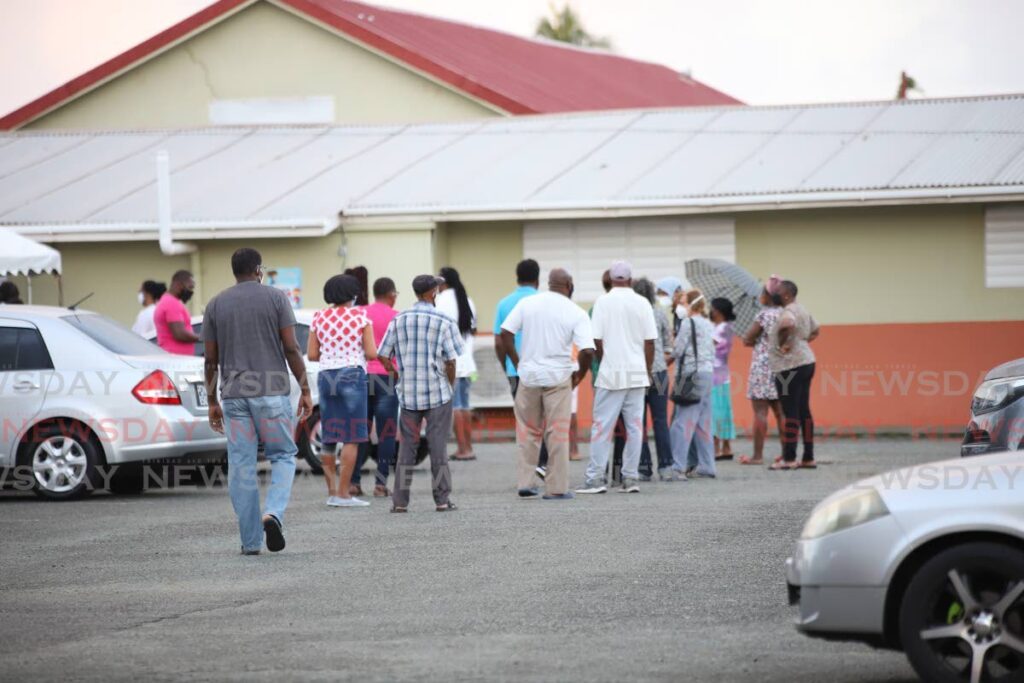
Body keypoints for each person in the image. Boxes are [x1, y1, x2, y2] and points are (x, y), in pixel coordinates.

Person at [203, 248, 313, 555]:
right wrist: (305, 388)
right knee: (283, 455)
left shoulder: (215, 304)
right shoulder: (276, 298)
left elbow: (210, 360)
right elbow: (291, 348)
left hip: (234, 396)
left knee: (241, 466)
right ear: (259, 270)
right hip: (271, 393)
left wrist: (212, 400)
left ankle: (250, 542)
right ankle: (273, 513)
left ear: (234, 271)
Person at [500, 268, 594, 500]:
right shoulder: (576, 311)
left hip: (529, 376)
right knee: (558, 433)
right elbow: (588, 350)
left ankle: (526, 483)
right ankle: (557, 488)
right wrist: (578, 377)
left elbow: (505, 333)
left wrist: (518, 362)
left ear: (548, 283)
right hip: (559, 377)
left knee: (527, 431)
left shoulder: (528, 303)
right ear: (569, 286)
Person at [377, 275, 464, 513]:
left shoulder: (399, 319)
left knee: (407, 448)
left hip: (408, 395)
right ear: (433, 292)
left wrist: (396, 374)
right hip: (438, 393)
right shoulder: (444, 320)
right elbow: (451, 360)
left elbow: (382, 355)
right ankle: (442, 500)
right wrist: (450, 384)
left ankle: (400, 502)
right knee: (438, 448)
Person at [577, 261, 657, 495]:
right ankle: (630, 478)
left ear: (611, 280)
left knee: (602, 427)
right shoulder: (642, 303)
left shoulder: (602, 302)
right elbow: (650, 341)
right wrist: (648, 372)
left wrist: (604, 363)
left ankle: (595, 479)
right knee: (635, 428)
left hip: (611, 371)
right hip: (636, 372)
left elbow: (597, 340)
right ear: (630, 280)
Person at [307, 274, 377, 508]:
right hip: (352, 374)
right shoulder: (360, 317)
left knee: (329, 434)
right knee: (352, 436)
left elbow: (312, 355)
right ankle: (344, 494)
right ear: (352, 295)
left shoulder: (319, 317)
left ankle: (332, 491)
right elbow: (371, 352)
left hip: (327, 376)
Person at [494, 259, 548, 481]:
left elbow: (499, 342)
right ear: (537, 278)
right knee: (547, 416)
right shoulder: (545, 302)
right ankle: (545, 462)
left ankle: (531, 466)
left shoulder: (504, 303)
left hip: (516, 371)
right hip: (544, 369)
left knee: (526, 421)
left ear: (517, 277)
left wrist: (506, 364)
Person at [353, 277, 400, 498]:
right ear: (392, 295)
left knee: (360, 430)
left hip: (362, 376)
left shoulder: (360, 313)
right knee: (387, 432)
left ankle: (354, 482)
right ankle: (381, 484)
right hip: (387, 377)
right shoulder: (396, 317)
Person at [769, 279, 821, 471]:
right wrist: (800, 341)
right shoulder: (802, 309)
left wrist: (783, 343)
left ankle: (789, 458)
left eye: (778, 290)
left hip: (787, 367)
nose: (774, 292)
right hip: (806, 362)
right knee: (803, 411)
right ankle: (808, 457)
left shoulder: (788, 311)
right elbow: (816, 329)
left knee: (790, 412)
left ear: (787, 295)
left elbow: (787, 324)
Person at [669, 289, 716, 479]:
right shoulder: (708, 324)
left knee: (681, 422)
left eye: (683, 302)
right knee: (703, 423)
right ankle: (707, 465)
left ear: (691, 304)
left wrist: (672, 341)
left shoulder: (688, 323)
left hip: (690, 375)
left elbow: (678, 350)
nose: (681, 306)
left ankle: (677, 466)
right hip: (707, 373)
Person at [738, 278, 785, 466]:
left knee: (760, 412)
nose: (760, 296)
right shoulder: (786, 314)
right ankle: (786, 454)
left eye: (762, 293)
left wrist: (752, 339)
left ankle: (757, 456)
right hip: (782, 366)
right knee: (782, 412)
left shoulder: (763, 316)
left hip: (762, 367)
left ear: (768, 296)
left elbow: (747, 339)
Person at [634, 277, 675, 481]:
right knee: (660, 420)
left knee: (638, 422)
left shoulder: (631, 314)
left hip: (636, 373)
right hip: (658, 371)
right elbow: (669, 345)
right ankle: (666, 466)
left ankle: (643, 467)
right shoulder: (659, 313)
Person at [436, 266, 478, 461]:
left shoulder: (440, 301)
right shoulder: (467, 300)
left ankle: (462, 449)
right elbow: (473, 330)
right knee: (465, 406)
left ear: (443, 283)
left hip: (451, 363)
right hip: (467, 363)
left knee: (455, 407)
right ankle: (468, 446)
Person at [710, 297, 737, 460]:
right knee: (725, 411)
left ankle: (717, 447)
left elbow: (708, 343)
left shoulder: (721, 328)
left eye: (712, 308)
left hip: (715, 375)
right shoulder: (726, 327)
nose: (710, 311)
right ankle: (726, 447)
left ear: (718, 311)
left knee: (716, 412)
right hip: (723, 374)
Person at [154, 270, 200, 355]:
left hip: (174, 360)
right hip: (175, 362)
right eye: (190, 287)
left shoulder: (168, 301)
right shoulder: (171, 303)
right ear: (179, 284)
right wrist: (206, 338)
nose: (191, 292)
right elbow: (180, 334)